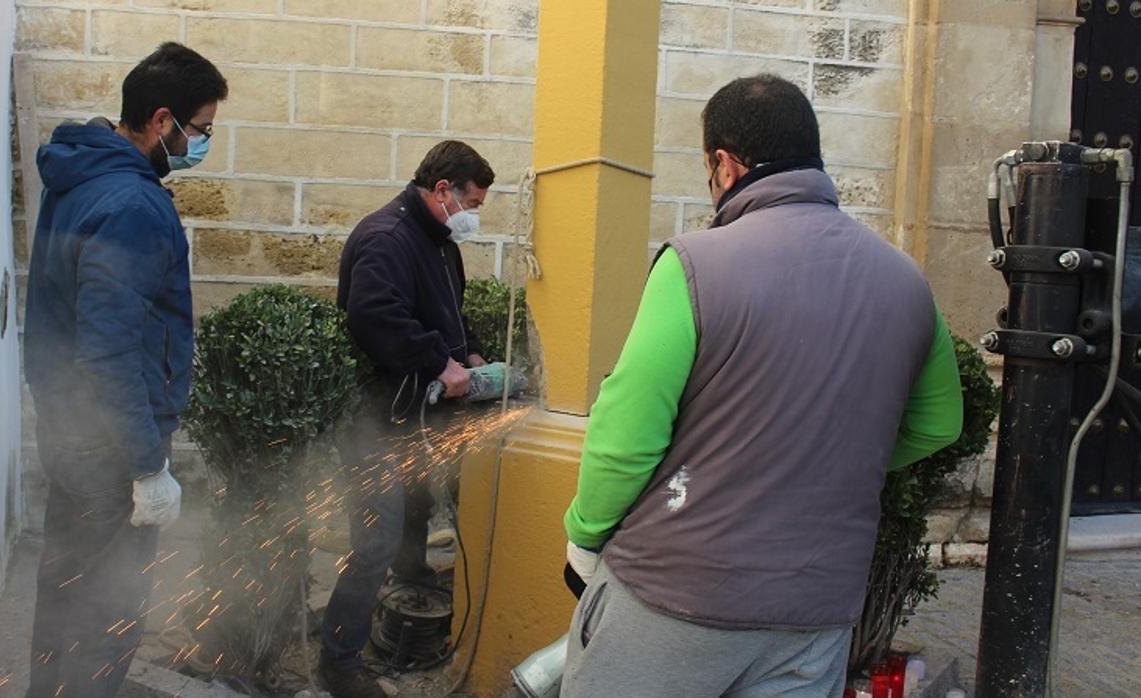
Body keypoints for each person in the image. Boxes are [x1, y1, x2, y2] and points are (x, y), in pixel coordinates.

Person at [560, 74, 965, 697]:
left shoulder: (693, 264)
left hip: (677, 594)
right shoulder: (906, 280)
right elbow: (939, 424)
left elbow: (625, 434)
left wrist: (585, 537)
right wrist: (822, 459)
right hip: (816, 611)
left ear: (724, 165)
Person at [23, 43, 227, 698]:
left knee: (65, 591)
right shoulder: (133, 207)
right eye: (201, 130)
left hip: (71, 429)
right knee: (106, 610)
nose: (203, 143)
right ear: (162, 120)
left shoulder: (81, 175)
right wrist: (146, 465)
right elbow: (109, 351)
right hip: (109, 449)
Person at [319, 141, 494, 697]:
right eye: (471, 202)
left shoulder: (440, 242)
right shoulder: (387, 238)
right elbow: (373, 316)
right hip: (375, 419)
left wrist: (469, 355)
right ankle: (340, 661)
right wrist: (436, 362)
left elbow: (448, 313)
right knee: (375, 539)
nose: (473, 216)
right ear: (441, 191)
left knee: (416, 509)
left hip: (414, 417)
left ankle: (413, 584)